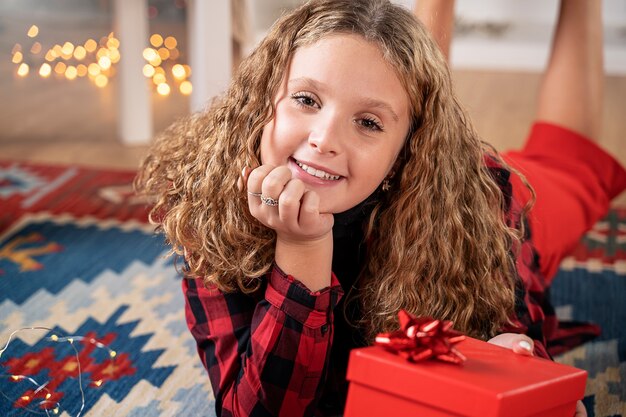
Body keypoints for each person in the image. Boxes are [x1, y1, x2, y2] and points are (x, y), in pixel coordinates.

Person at [135, 1, 626, 416]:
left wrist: (508, 355)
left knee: (571, 159)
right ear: (264, 101)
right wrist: (302, 249)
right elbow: (256, 409)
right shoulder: (210, 197)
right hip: (404, 162)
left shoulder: (481, 201)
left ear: (410, 150)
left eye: (367, 123)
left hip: (458, 193)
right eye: (306, 98)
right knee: (396, 82)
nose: (322, 140)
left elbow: (515, 330)